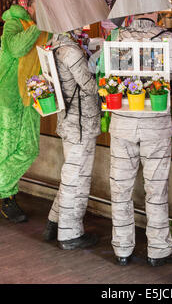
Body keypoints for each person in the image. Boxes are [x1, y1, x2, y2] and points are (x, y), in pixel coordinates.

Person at [107, 12, 172, 266]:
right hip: (155, 124)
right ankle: (159, 250)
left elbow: (102, 68)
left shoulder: (116, 37)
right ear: (153, 11)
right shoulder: (169, 38)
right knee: (156, 189)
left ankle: (122, 249)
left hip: (122, 122)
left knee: (120, 189)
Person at [0, 0, 49, 224]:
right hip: (6, 95)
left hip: (31, 95)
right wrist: (38, 26)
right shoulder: (14, 22)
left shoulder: (46, 28)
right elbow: (16, 48)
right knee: (2, 149)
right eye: (40, 6)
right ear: (30, 7)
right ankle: (7, 199)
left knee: (29, 148)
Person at [43, 29, 101, 250]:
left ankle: (54, 222)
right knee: (77, 177)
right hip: (81, 123)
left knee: (70, 174)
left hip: (68, 120)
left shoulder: (54, 46)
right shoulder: (71, 51)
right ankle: (69, 234)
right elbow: (89, 86)